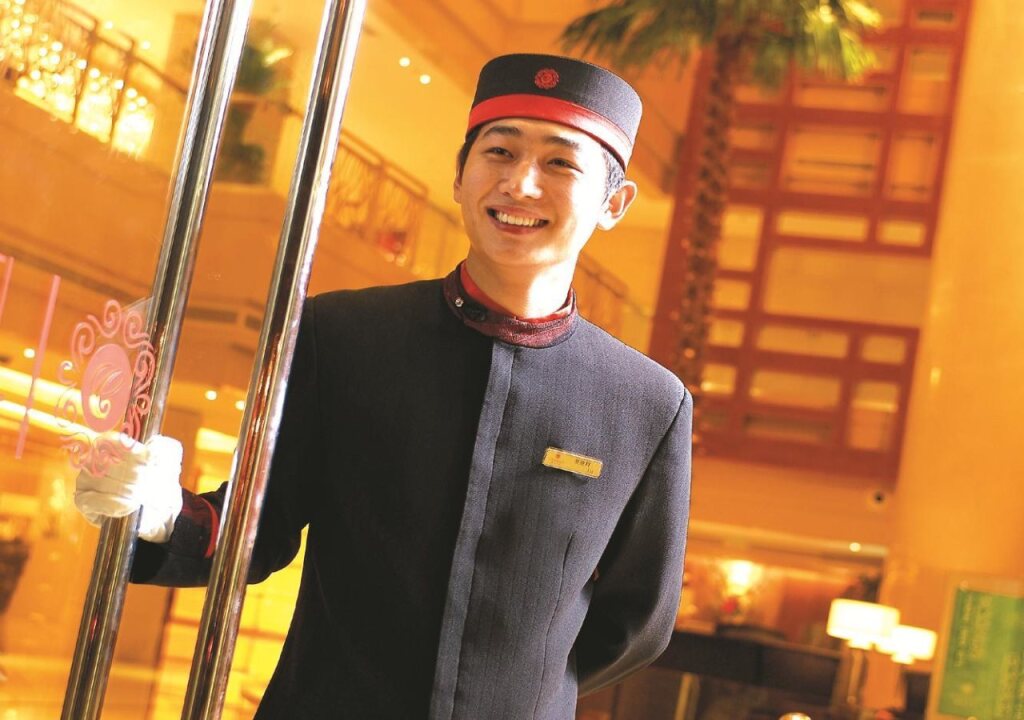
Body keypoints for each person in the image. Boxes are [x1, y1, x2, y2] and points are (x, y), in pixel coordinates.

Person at [75, 53, 694, 719]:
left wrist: (516, 688)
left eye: (560, 162)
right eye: (500, 151)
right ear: (459, 174)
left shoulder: (648, 405)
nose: (519, 183)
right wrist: (164, 515)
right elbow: (259, 527)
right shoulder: (341, 334)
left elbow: (637, 623)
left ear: (613, 203)